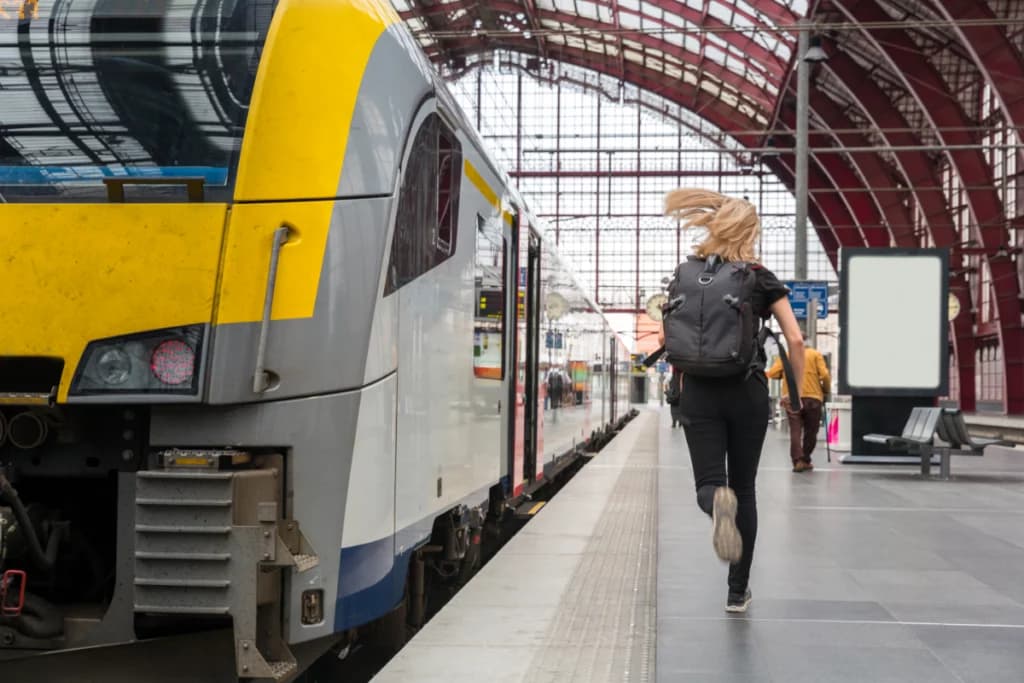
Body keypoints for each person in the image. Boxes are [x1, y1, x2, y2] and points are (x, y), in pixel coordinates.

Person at [658, 188, 804, 614]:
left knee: (710, 484)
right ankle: (737, 592)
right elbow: (794, 338)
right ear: (750, 232)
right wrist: (795, 391)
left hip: (699, 392)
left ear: (714, 225)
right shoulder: (759, 276)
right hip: (748, 392)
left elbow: (673, 337)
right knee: (746, 489)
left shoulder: (685, 273)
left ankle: (714, 504)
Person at [766, 333, 831, 472]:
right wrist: (826, 390)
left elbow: (772, 373)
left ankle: (797, 460)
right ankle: (805, 458)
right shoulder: (815, 354)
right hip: (813, 398)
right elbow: (824, 375)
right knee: (811, 431)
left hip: (792, 397)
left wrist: (783, 375)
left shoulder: (788, 355)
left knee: (795, 430)